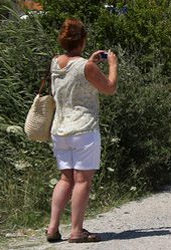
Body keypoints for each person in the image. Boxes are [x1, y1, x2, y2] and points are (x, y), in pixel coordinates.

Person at [46, 18, 118, 244]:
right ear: (83, 40)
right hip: (83, 128)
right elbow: (109, 88)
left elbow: (73, 73)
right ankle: (76, 230)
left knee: (65, 179)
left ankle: (52, 228)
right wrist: (113, 65)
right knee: (82, 180)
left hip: (60, 128)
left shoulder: (55, 62)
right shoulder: (86, 67)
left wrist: (89, 62)